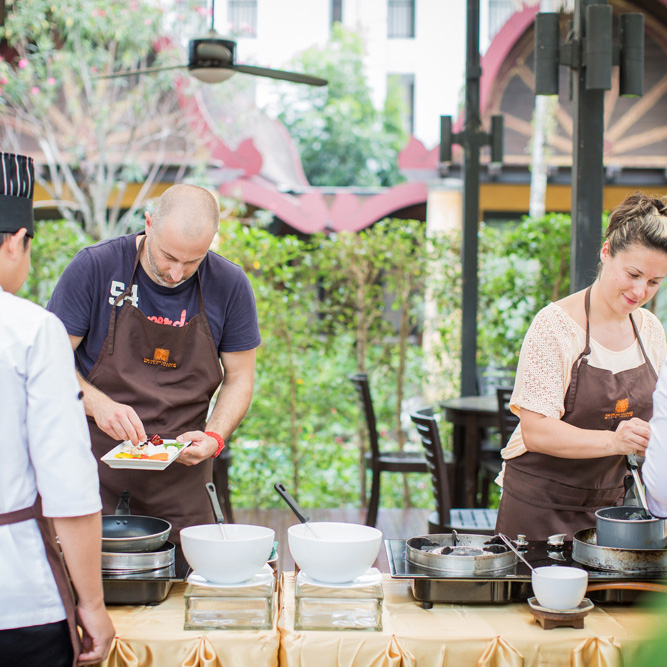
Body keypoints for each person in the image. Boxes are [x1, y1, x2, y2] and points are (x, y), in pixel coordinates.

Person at [47, 183, 261, 571]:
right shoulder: (95, 268)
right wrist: (97, 404)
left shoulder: (229, 285)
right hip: (93, 472)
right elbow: (49, 361)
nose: (176, 273)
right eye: (168, 256)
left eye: (193, 262)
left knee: (182, 600)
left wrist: (215, 436)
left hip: (182, 483)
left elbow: (240, 379)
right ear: (148, 224)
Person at [495, 192, 667, 540]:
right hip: (538, 512)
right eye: (632, 273)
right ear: (606, 253)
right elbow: (537, 431)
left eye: (654, 282)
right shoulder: (555, 326)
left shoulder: (650, 329)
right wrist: (615, 441)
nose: (639, 291)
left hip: (609, 514)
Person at [0, 152, 114, 666]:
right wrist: (91, 604)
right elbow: (67, 484)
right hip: (17, 597)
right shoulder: (29, 329)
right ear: (15, 242)